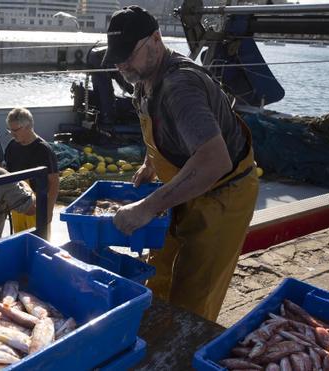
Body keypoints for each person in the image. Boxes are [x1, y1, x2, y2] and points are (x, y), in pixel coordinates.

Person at [103, 6, 259, 321]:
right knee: (155, 274)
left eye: (128, 55)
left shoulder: (180, 88)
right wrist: (150, 163)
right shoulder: (145, 76)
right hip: (182, 189)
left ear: (156, 39)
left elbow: (213, 161)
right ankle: (154, 334)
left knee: (192, 298)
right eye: (117, 56)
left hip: (221, 195)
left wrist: (146, 207)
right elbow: (161, 129)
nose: (121, 64)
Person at [4, 107, 59, 238]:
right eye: (10, 130)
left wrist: (49, 210)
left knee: (40, 241)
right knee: (19, 240)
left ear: (28, 126)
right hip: (18, 203)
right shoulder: (12, 146)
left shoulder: (44, 150)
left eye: (15, 130)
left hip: (38, 205)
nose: (12, 133)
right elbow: (9, 176)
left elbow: (54, 182)